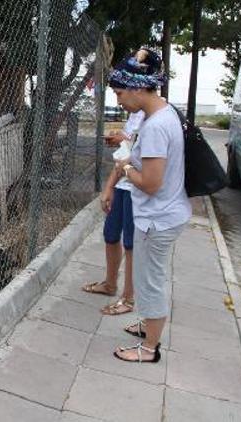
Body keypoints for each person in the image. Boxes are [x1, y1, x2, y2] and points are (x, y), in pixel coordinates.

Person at [107, 48, 191, 363]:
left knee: (149, 281)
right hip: (168, 213)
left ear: (138, 88)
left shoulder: (155, 126)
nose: (117, 100)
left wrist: (125, 168)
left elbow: (152, 183)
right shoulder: (166, 113)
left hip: (156, 218)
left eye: (119, 92)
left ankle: (149, 348)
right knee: (150, 276)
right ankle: (148, 326)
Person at [81, 109, 144, 316]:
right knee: (110, 233)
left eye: (120, 92)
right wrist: (109, 187)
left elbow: (139, 155)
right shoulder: (136, 114)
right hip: (123, 184)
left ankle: (128, 297)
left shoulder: (154, 115)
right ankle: (110, 284)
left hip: (138, 188)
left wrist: (123, 139)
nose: (119, 101)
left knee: (130, 242)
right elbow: (126, 153)